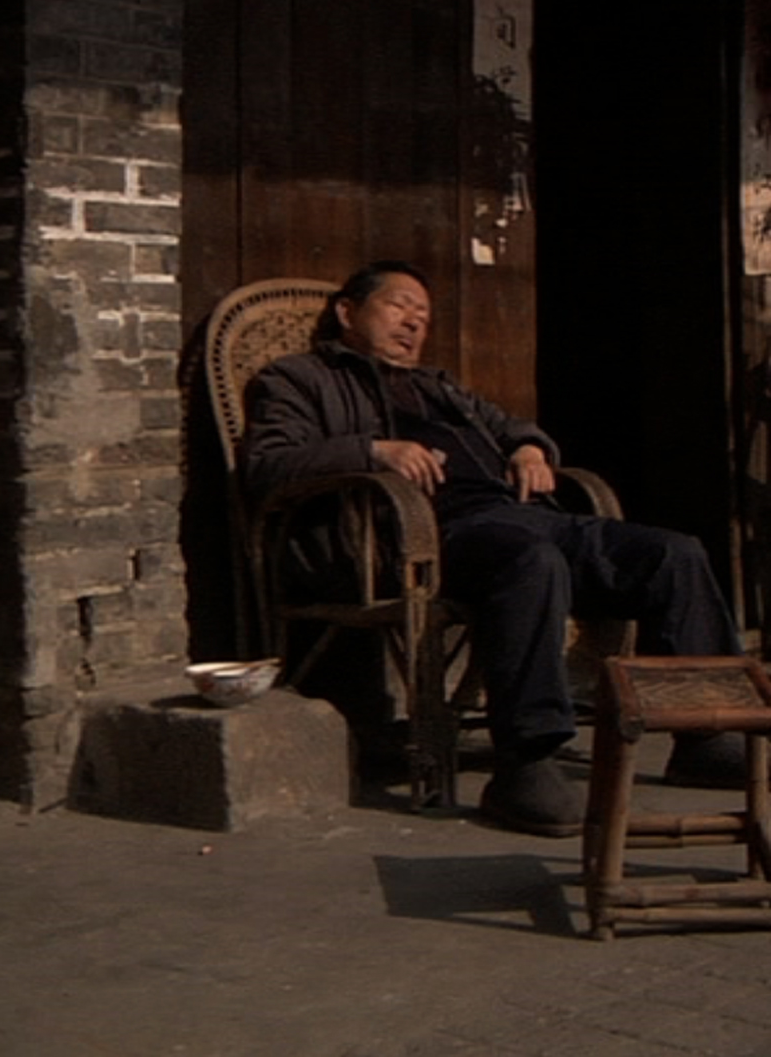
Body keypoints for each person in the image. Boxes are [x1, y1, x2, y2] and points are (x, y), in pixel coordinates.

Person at [242, 261, 745, 838]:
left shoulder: (441, 388)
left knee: (672, 554)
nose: (414, 322)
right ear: (348, 312)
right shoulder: (301, 379)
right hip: (419, 536)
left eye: (423, 315)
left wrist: (530, 449)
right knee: (529, 559)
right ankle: (525, 765)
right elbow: (265, 467)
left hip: (518, 516)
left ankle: (704, 737)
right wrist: (372, 450)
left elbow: (513, 427)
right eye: (399, 305)